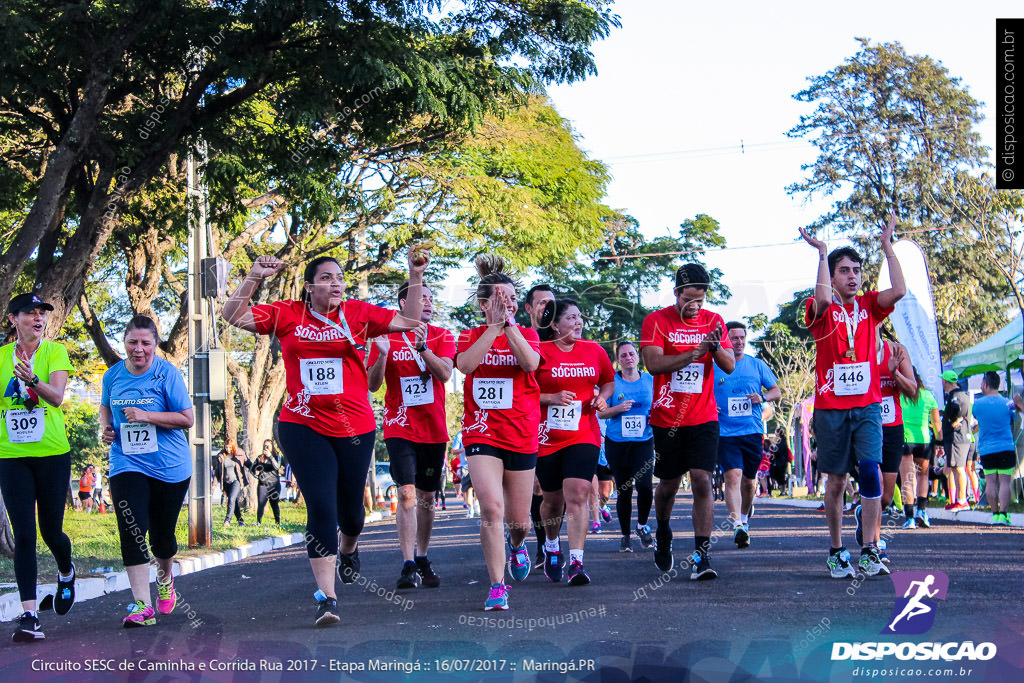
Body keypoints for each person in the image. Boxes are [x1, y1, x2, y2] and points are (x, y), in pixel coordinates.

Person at [222, 246, 429, 627]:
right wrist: (254, 276)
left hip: (354, 427)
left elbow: (411, 319)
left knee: (351, 513)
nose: (336, 283)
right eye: (326, 278)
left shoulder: (359, 314)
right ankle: (326, 597)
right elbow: (232, 315)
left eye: (339, 277)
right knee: (320, 505)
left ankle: (348, 549)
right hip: (302, 424)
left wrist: (415, 275)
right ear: (309, 287)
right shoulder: (287, 313)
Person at [799, 212, 905, 579]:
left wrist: (887, 249)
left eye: (857, 270)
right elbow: (824, 300)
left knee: (871, 471)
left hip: (868, 404)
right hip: (831, 407)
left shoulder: (871, 306)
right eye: (844, 270)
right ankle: (835, 550)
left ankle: (870, 549)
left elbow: (901, 291)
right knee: (838, 480)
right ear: (832, 275)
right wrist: (822, 253)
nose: (854, 276)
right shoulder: (821, 312)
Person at [640, 263, 736, 580]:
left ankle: (701, 556)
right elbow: (654, 364)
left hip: (703, 416)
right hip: (667, 417)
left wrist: (714, 348)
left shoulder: (714, 321)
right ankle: (664, 530)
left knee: (702, 481)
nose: (695, 305)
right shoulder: (656, 321)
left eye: (701, 298)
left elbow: (729, 365)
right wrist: (695, 353)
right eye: (689, 298)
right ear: (677, 293)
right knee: (667, 485)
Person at [456, 254, 540, 610]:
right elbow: (466, 365)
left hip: (521, 433)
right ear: (483, 303)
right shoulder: (468, 335)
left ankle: (518, 544)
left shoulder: (529, 335)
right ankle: (496, 586)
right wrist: (492, 327)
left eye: (511, 297)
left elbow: (530, 364)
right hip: (481, 433)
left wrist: (509, 326)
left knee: (519, 521)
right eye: (500, 297)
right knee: (491, 508)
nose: (508, 303)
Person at [99, 315, 194, 627]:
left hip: (169, 467)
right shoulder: (113, 376)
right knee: (132, 527)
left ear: (155, 344)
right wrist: (106, 427)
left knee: (162, 537)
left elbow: (187, 418)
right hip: (127, 462)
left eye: (145, 343)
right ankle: (142, 605)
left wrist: (147, 416)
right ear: (124, 342)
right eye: (132, 342)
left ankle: (165, 580)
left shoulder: (167, 374)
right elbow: (104, 406)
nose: (138, 349)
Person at [367, 281, 455, 590]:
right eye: (422, 298)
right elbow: (373, 385)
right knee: (406, 493)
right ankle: (407, 564)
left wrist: (423, 349)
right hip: (399, 425)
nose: (428, 303)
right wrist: (380, 355)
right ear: (405, 302)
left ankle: (422, 556)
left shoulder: (442, 335)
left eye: (432, 298)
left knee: (427, 497)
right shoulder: (386, 333)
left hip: (433, 429)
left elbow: (445, 373)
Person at [0, 293, 77, 642]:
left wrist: (32, 380)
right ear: (13, 319)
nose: (38, 318)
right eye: (29, 313)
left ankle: (65, 569)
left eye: (41, 313)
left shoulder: (55, 352)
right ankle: (29, 616)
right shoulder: (1, 358)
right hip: (11, 456)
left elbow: (58, 397)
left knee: (50, 531)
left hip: (52, 454)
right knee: (25, 535)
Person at [535, 298, 614, 585]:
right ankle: (552, 546)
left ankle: (578, 562)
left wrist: (602, 397)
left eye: (580, 317)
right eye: (571, 318)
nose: (578, 322)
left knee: (579, 492)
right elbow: (523, 391)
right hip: (547, 437)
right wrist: (550, 398)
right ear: (554, 325)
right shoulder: (539, 352)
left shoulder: (593, 350)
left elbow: (608, 380)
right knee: (553, 502)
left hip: (584, 432)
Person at [712, 321, 780, 548]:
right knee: (732, 476)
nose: (738, 342)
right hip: (725, 432)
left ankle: (744, 516)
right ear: (726, 340)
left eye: (742, 337)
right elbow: (702, 394)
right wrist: (710, 405)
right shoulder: (715, 367)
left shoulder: (757, 365)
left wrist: (763, 398)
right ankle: (738, 525)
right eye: (733, 338)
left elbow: (776, 390)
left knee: (750, 483)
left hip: (752, 431)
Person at [855, 327, 915, 559]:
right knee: (875, 481)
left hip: (892, 428)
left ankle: (864, 514)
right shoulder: (854, 351)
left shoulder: (898, 351)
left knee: (887, 496)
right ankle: (874, 545)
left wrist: (894, 373)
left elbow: (912, 390)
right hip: (865, 427)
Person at [598, 341, 655, 553]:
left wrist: (654, 416)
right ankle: (625, 535)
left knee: (645, 486)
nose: (628, 358)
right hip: (617, 443)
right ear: (618, 360)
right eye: (623, 355)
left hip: (643, 441)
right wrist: (618, 408)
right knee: (624, 490)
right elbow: (601, 413)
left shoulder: (650, 380)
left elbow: (659, 405)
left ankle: (641, 525)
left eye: (631, 354)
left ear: (638, 357)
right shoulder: (612, 382)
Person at [523, 283, 555, 567]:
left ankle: (552, 541)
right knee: (536, 488)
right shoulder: (521, 338)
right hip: (530, 424)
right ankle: (542, 544)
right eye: (542, 302)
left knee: (557, 489)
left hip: (563, 427)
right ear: (529, 309)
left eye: (551, 302)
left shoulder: (564, 338)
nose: (547, 307)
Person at [970, 371, 1023, 525]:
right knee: (1005, 482)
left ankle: (995, 515)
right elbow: (1015, 416)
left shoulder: (977, 405)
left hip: (987, 449)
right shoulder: (1008, 403)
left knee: (991, 482)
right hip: (1006, 446)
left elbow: (976, 418)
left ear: (985, 384)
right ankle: (1004, 514)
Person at [899, 368, 941, 528]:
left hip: (905, 440)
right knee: (923, 476)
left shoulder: (899, 394)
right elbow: (937, 424)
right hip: (924, 440)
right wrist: (940, 443)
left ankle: (909, 519)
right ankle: (921, 511)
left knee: (907, 479)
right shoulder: (928, 395)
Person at [940, 370, 973, 511]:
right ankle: (958, 499)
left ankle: (962, 500)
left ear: (946, 381)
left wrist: (955, 420)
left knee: (959, 468)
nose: (941, 382)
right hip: (956, 437)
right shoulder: (956, 395)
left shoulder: (957, 396)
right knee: (954, 468)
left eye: (943, 380)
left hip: (957, 438)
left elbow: (960, 410)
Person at [251, 439, 283, 526]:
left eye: (268, 446)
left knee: (274, 504)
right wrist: (257, 475)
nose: (266, 448)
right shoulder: (259, 458)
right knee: (261, 503)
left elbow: (277, 467)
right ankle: (259, 522)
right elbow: (252, 469)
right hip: (263, 484)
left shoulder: (276, 457)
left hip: (274, 484)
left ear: (272, 447)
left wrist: (270, 456)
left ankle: (277, 522)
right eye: (265, 446)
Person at [215, 440, 246, 527]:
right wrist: (214, 485)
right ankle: (240, 520)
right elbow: (218, 472)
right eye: (226, 447)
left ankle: (227, 520)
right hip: (226, 483)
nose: (228, 449)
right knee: (234, 502)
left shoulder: (237, 455)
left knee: (231, 499)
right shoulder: (221, 456)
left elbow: (246, 462)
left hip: (235, 482)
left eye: (230, 447)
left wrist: (255, 469)